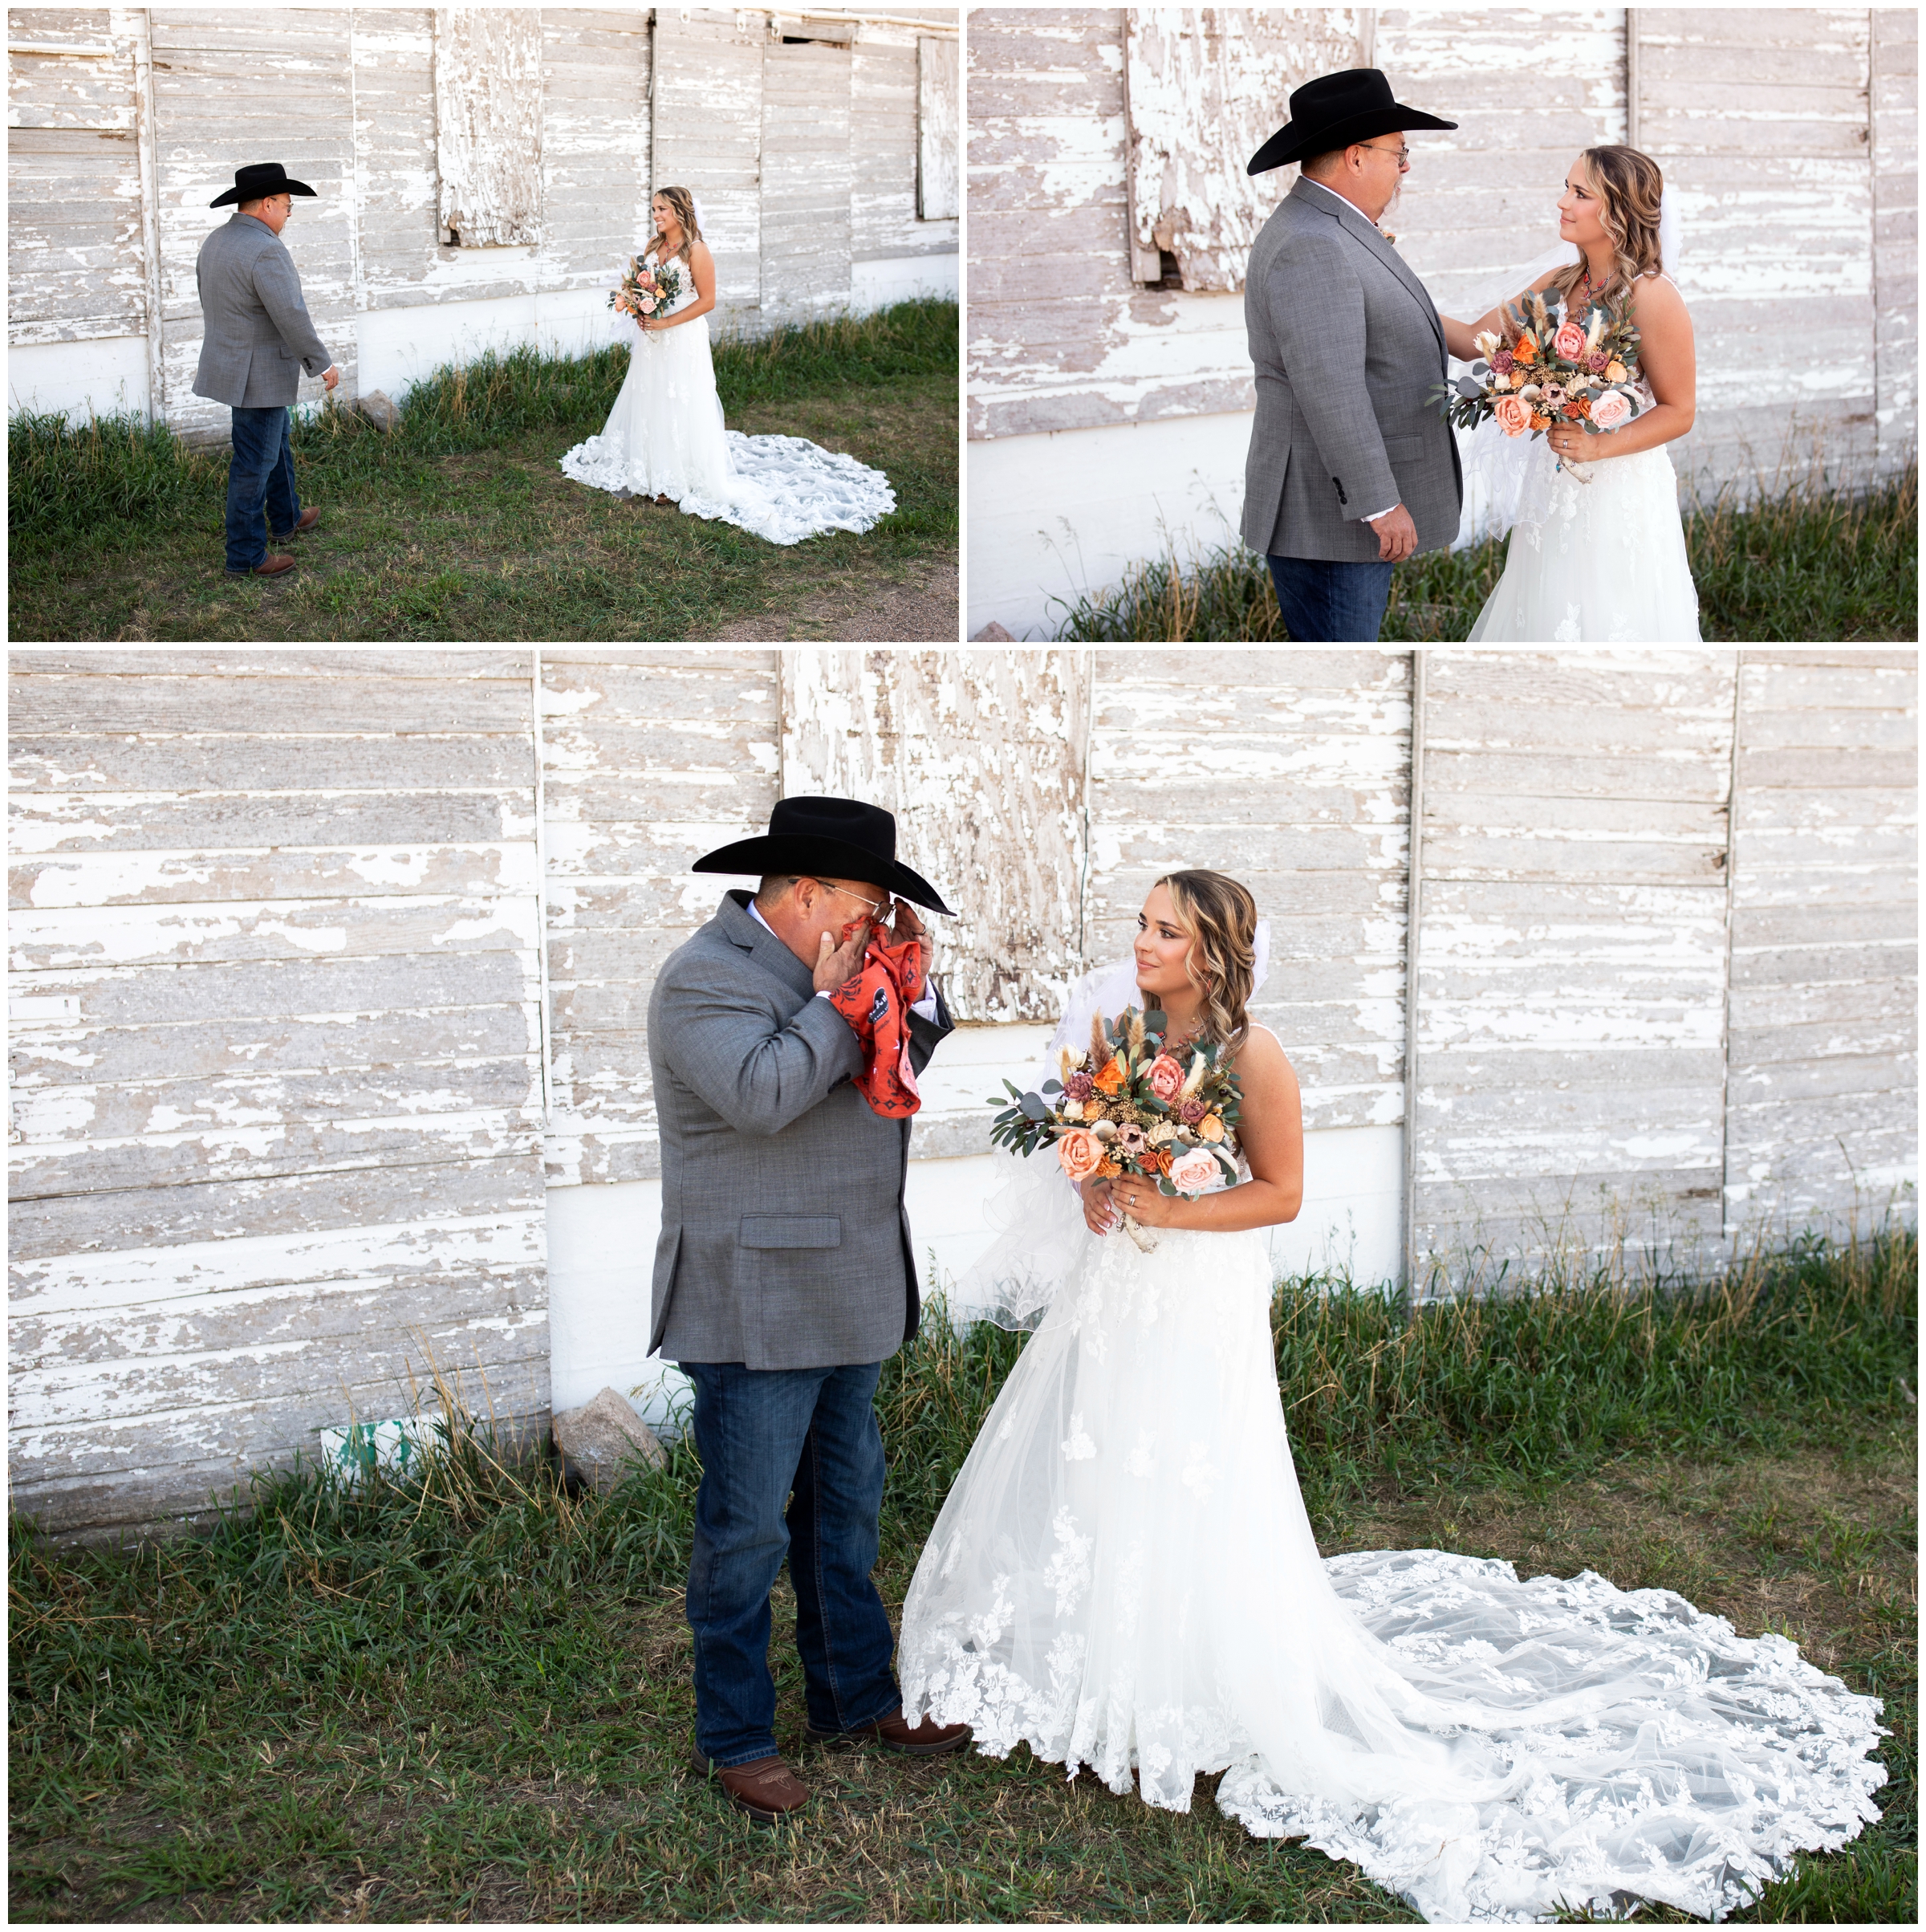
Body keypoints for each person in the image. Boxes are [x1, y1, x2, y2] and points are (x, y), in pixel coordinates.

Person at [898, 868, 1887, 1923]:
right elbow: (1087, 1142)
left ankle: (1195, 1678)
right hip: (1119, 1287)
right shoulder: (1121, 1029)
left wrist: (1170, 1209)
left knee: (1193, 1461)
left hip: (1197, 1286)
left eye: (1164, 929)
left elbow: (1281, 1191)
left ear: (1213, 952)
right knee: (1104, 1458)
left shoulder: (1253, 1055)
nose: (1141, 941)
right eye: (1141, 923)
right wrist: (1100, 1180)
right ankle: (1112, 1670)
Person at [648, 796, 971, 1827]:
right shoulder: (703, 979)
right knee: (744, 1531)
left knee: (845, 1512)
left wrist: (901, 988)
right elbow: (763, 1092)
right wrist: (840, 1006)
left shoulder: (853, 976)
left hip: (851, 1286)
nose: (876, 928)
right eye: (869, 907)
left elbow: (912, 1050)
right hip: (755, 1304)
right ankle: (738, 1734)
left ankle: (854, 1696)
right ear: (808, 893)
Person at [1441, 146, 1703, 641]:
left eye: (1580, 193)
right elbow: (1474, 341)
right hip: (1554, 479)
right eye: (1566, 187)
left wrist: (1598, 445)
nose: (1563, 201)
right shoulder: (1561, 284)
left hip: (1617, 482)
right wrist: (1396, 295)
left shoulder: (1651, 295)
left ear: (1619, 212)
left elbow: (1680, 410)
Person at [1241, 69, 1464, 642]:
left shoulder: (1329, 226)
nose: (1406, 166)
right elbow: (1330, 385)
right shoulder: (1314, 243)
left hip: (1333, 518)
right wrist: (1380, 502)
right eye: (1399, 152)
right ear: (1356, 158)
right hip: (1330, 524)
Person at [560, 187, 896, 545]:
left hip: (682, 339)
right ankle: (651, 471)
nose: (655, 214)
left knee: (681, 401)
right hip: (652, 341)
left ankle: (676, 480)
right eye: (654, 208)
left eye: (661, 208)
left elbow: (708, 301)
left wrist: (665, 322)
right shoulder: (652, 247)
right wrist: (638, 306)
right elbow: (645, 291)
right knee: (653, 399)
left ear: (679, 211)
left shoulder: (697, 251)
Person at [192, 162, 340, 579]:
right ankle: (245, 556)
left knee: (275, 445)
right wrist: (322, 363)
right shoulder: (266, 248)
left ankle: (287, 516)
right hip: (257, 373)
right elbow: (290, 315)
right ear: (268, 203)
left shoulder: (216, 241)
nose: (289, 214)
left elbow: (214, 302)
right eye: (288, 206)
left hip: (235, 365)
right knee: (253, 463)